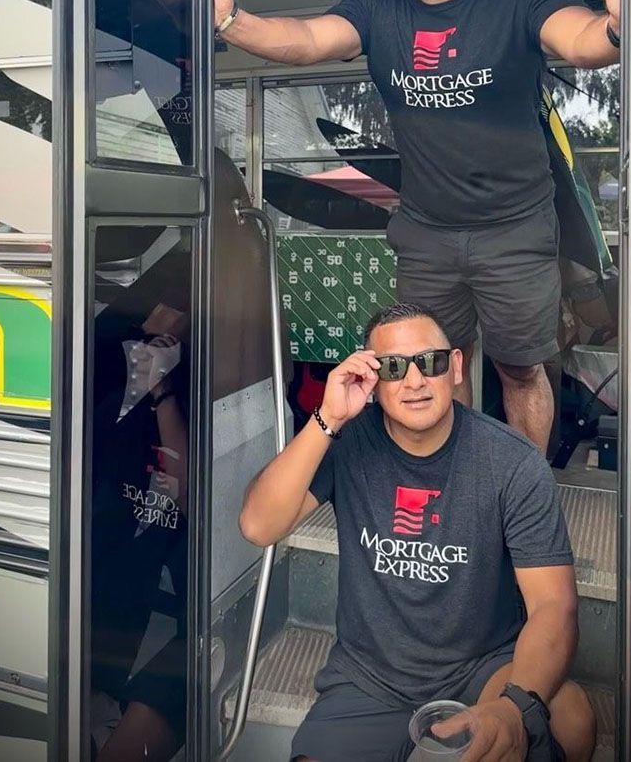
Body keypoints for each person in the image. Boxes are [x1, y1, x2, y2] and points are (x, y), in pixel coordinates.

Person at [200, 0, 624, 452]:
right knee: (433, 367)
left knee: (521, 370)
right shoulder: (380, 6)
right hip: (426, 230)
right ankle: (457, 488)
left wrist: (615, 25)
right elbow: (306, 38)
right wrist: (231, 20)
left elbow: (580, 40)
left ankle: (526, 495)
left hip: (516, 227)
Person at [239, 302, 596, 762]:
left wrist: (511, 709)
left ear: (457, 367)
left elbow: (553, 605)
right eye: (392, 367)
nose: (413, 381)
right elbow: (257, 524)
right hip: (370, 676)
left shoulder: (513, 462)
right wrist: (326, 418)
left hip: (481, 667)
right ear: (371, 378)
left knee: (572, 716)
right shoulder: (348, 441)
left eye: (430, 362)